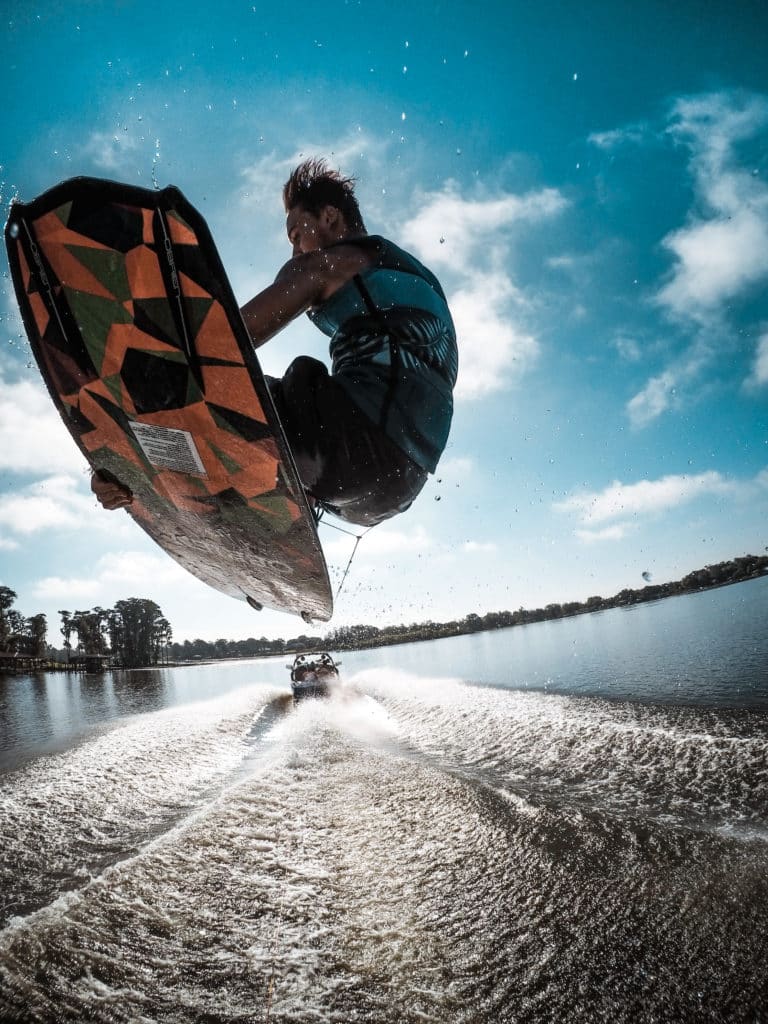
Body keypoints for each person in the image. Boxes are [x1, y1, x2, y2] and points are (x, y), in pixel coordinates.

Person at [92, 158, 458, 526]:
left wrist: (155, 376)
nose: (296, 250)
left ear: (330, 217)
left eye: (297, 234)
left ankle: (129, 463)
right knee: (278, 408)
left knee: (219, 388)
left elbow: (229, 345)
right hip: (394, 488)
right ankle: (297, 496)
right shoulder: (413, 275)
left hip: (349, 444)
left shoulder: (333, 261)